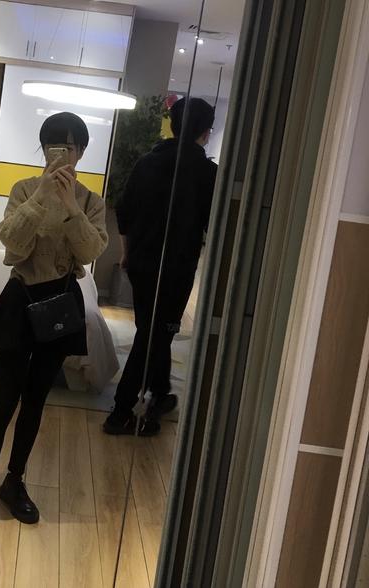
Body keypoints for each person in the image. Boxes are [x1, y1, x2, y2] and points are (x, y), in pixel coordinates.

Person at [0, 112, 108, 558]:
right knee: (1, 404)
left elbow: (92, 250)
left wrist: (71, 208)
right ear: (43, 150)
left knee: (36, 402)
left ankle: (14, 481)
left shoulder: (91, 200)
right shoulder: (25, 189)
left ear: (82, 151)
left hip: (61, 305)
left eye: (71, 147)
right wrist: (42, 196)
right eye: (54, 147)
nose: (63, 155)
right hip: (21, 301)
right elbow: (12, 243)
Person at [104, 97, 217, 437]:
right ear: (206, 132)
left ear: (173, 126)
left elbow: (124, 212)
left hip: (141, 263)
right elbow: (215, 226)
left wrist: (126, 254)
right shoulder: (208, 174)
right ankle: (122, 413)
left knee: (152, 331)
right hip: (176, 270)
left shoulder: (147, 162)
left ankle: (161, 391)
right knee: (154, 335)